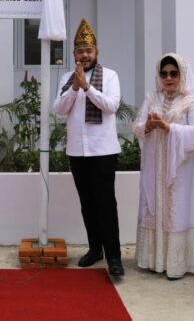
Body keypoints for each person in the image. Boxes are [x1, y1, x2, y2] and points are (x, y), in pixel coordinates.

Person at [53, 19, 124, 277]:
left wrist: (88, 87)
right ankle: (95, 250)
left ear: (97, 52)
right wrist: (74, 87)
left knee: (106, 203)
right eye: (80, 51)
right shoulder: (66, 77)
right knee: (87, 203)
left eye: (89, 50)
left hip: (103, 150)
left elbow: (111, 105)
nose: (85, 55)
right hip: (77, 151)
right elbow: (59, 109)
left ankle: (114, 257)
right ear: (74, 54)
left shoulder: (111, 75)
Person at [133, 53, 194, 279]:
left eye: (173, 73)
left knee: (177, 210)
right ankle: (152, 260)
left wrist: (170, 129)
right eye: (164, 73)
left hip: (179, 170)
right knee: (153, 207)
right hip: (154, 167)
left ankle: (176, 264)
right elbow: (136, 125)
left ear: (181, 74)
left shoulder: (190, 101)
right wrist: (147, 126)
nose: (168, 78)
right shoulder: (151, 97)